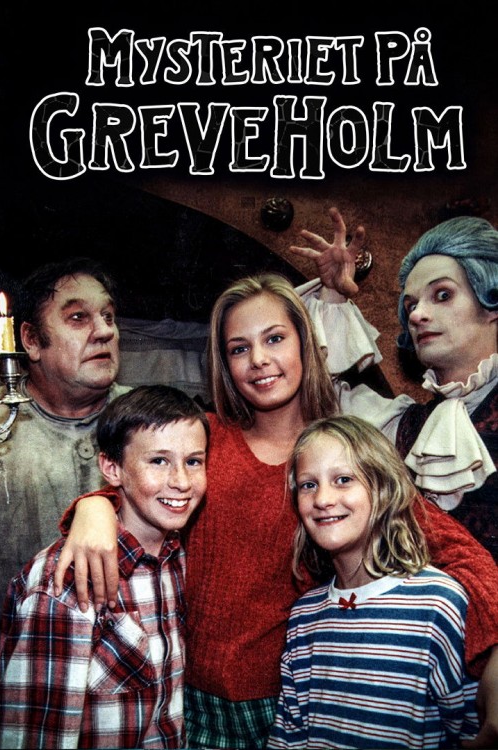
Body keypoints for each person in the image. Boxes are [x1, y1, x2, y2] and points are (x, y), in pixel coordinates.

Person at [53, 271, 498, 749]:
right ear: (223, 362)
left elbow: (464, 555)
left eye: (275, 339)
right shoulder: (205, 437)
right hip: (184, 697)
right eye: (238, 348)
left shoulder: (336, 458)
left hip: (289, 701)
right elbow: (141, 487)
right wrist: (93, 508)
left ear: (304, 342)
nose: (259, 360)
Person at [0, 384, 209, 749]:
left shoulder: (177, 557)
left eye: (193, 461)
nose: (181, 481)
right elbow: (36, 735)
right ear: (112, 468)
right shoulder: (65, 583)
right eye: (158, 461)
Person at [292, 209, 498, 562]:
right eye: (411, 304)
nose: (416, 315)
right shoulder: (403, 426)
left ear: (491, 303)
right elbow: (312, 396)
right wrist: (333, 297)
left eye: (442, 295)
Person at [267, 415, 479, 749]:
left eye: (343, 479)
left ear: (382, 488)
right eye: (309, 485)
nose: (322, 499)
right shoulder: (304, 617)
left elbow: (471, 731)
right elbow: (289, 735)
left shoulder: (438, 604)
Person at [0, 256, 130, 625]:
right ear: (31, 340)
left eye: (108, 316)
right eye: (78, 317)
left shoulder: (152, 421)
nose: (104, 331)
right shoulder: (3, 424)